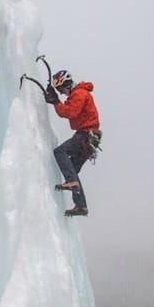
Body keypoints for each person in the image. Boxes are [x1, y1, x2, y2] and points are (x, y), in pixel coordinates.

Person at [43, 68, 100, 217]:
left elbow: (69, 112)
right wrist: (56, 100)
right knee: (72, 171)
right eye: (59, 90)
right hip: (89, 138)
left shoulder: (79, 94)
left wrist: (55, 101)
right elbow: (67, 110)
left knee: (59, 152)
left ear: (68, 83)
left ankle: (72, 182)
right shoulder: (77, 94)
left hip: (86, 135)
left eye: (61, 88)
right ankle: (81, 206)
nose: (61, 92)